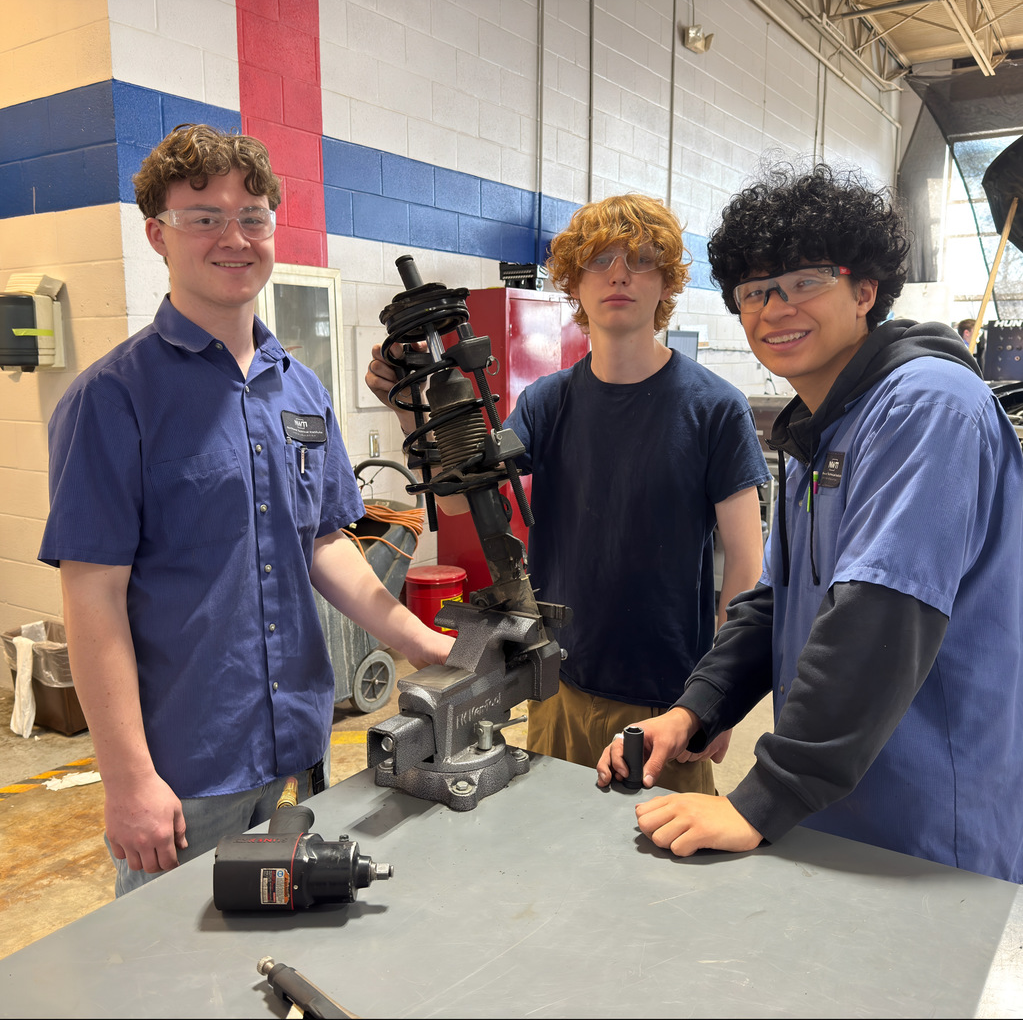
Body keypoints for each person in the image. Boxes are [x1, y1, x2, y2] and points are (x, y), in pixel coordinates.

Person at [39, 124, 453, 896]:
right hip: (185, 772)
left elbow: (324, 540)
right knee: (175, 984)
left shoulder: (298, 388)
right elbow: (91, 595)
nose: (233, 237)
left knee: (280, 957)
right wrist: (128, 780)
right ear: (159, 235)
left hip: (302, 743)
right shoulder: (113, 399)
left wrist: (413, 638)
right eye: (204, 217)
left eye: (252, 215)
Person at [597, 164, 1023, 883]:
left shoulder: (925, 405)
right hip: (837, 815)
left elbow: (881, 612)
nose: (775, 308)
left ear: (864, 291)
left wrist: (764, 798)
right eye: (754, 291)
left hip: (924, 828)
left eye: (805, 281)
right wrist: (693, 710)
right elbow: (775, 604)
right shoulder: (818, 436)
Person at [367, 193, 770, 794]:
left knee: (662, 879)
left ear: (666, 283)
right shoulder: (547, 402)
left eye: (641, 260)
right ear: (574, 283)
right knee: (552, 861)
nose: (619, 274)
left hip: (668, 699)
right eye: (600, 260)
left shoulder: (715, 408)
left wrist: (719, 696)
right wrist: (413, 415)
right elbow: (459, 503)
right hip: (556, 685)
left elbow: (745, 560)